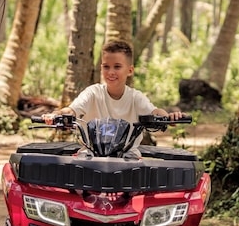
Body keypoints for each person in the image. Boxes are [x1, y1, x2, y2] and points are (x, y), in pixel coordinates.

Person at [46, 40, 184, 157]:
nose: (111, 72)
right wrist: (57, 114)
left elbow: (154, 112)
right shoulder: (92, 93)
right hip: (91, 157)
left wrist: (168, 117)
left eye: (117, 67)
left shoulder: (136, 98)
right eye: (106, 67)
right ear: (101, 68)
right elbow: (72, 110)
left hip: (128, 159)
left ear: (130, 70)